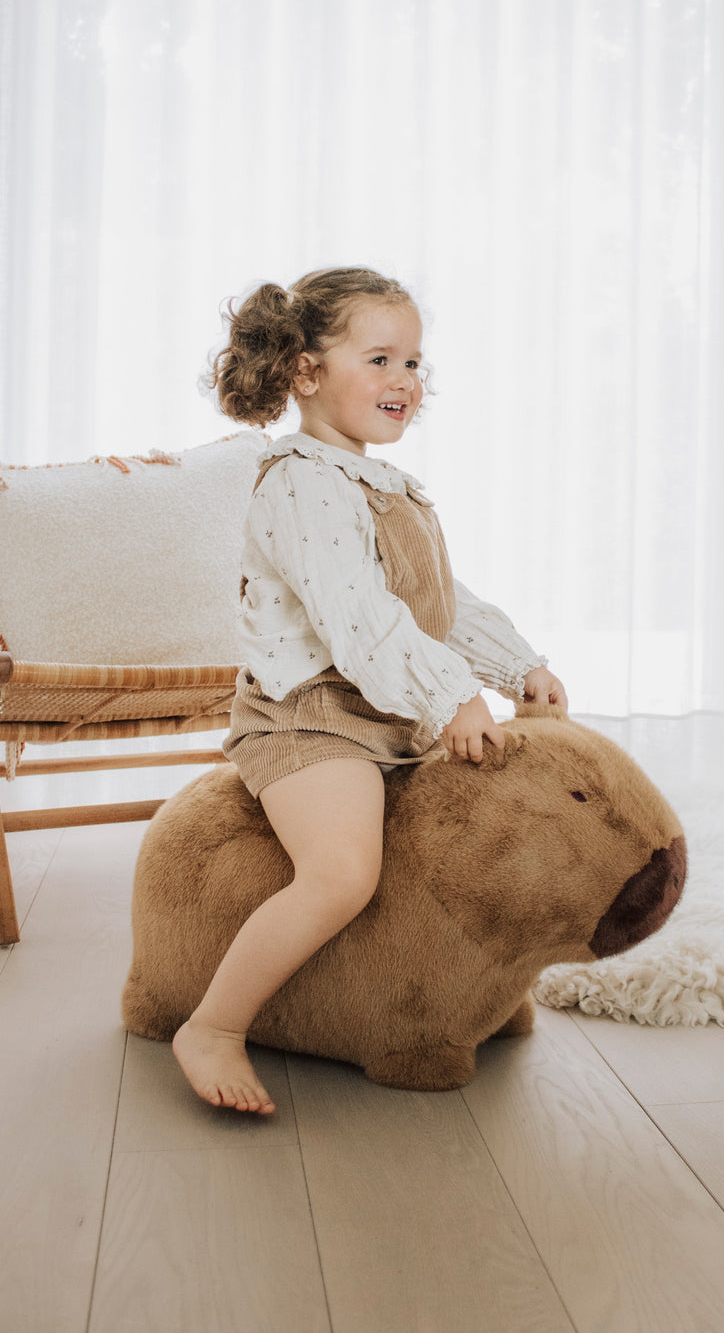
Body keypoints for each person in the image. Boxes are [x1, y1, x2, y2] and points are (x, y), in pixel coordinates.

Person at [173, 266, 567, 1113]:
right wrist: (453, 697)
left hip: (390, 708)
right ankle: (213, 1025)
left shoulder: (386, 485)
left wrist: (515, 666)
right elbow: (358, 622)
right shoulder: (302, 482)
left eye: (415, 363)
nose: (405, 382)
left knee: (479, 837)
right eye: (382, 359)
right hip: (311, 718)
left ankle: (470, 988)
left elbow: (436, 607)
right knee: (344, 872)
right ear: (305, 373)